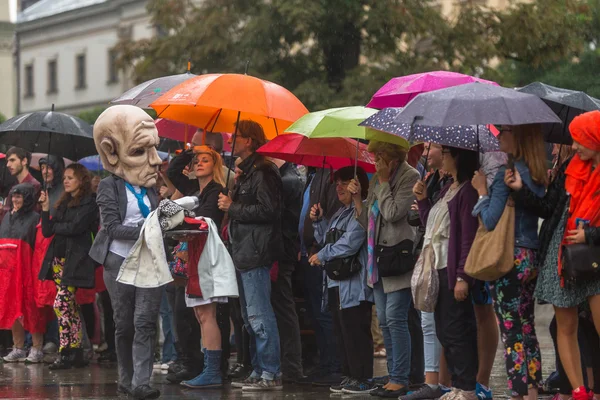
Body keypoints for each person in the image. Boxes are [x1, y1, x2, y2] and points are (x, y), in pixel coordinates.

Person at [505, 111, 600, 400]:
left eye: (581, 139)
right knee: (565, 325)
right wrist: (520, 190)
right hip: (562, 257)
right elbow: (547, 208)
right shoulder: (571, 165)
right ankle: (578, 391)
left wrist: (591, 236)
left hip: (594, 256)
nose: (576, 145)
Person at [89, 105, 163, 400]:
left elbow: (158, 221)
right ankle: (126, 379)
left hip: (150, 261)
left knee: (146, 322)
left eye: (155, 149)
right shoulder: (109, 186)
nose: (155, 161)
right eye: (139, 151)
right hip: (118, 261)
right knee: (125, 324)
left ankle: (141, 384)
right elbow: (112, 228)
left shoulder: (152, 187)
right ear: (111, 153)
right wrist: (151, 230)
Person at [472, 125, 547, 400]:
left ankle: (519, 390)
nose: (498, 135)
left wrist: (482, 192)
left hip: (508, 258)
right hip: (530, 255)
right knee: (527, 323)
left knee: (509, 326)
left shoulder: (508, 175)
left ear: (517, 137)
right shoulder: (536, 172)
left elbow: (490, 220)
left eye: (503, 131)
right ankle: (534, 385)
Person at [347, 140, 419, 398]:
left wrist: (386, 182)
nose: (374, 163)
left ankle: (401, 377)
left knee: (396, 318)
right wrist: (358, 200)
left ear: (392, 159)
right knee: (385, 321)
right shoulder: (378, 179)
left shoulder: (410, 176)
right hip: (376, 259)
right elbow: (368, 220)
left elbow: (392, 213)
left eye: (378, 158)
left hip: (396, 258)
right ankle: (393, 375)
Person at [218, 120, 283, 391]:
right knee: (248, 317)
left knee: (259, 315)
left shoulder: (264, 172)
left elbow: (269, 211)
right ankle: (258, 370)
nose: (232, 139)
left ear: (250, 141)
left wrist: (233, 207)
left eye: (238, 136)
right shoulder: (246, 173)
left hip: (256, 251)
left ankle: (271, 372)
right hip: (243, 251)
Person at [414, 146, 480, 400]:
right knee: (444, 330)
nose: (443, 158)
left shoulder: (466, 192)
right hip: (437, 269)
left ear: (458, 158)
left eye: (448, 153)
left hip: (452, 272)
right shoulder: (446, 188)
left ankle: (467, 388)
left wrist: (463, 276)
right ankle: (456, 385)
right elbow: (431, 223)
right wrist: (422, 201)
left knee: (457, 330)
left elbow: (467, 237)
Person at [309, 166, 374, 394]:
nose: (339, 188)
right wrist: (318, 222)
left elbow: (351, 241)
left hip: (354, 285)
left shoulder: (361, 211)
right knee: (342, 331)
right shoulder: (339, 213)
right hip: (336, 283)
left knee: (356, 331)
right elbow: (327, 238)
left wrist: (323, 255)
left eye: (344, 182)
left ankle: (363, 377)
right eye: (337, 183)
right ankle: (349, 375)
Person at [38, 163, 99, 370]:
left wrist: (58, 227)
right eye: (64, 177)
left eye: (70, 177)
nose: (65, 181)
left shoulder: (90, 203)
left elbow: (75, 228)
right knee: (70, 307)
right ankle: (76, 351)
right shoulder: (64, 202)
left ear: (81, 180)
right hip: (58, 261)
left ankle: (65, 352)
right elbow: (47, 231)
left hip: (76, 261)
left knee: (61, 304)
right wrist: (46, 210)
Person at [179, 146, 228, 389]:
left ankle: (212, 370)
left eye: (205, 160)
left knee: (207, 313)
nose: (199, 163)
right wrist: (189, 153)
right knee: (200, 313)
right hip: (196, 254)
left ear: (215, 166)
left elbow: (204, 219)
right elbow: (175, 171)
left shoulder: (216, 191)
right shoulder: (193, 191)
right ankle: (208, 368)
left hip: (207, 254)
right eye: (196, 161)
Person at [297, 166, 342, 386]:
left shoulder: (329, 175)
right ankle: (324, 363)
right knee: (316, 313)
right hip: (307, 252)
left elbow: (331, 214)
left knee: (325, 314)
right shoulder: (313, 176)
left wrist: (315, 245)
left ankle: (334, 365)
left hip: (319, 252)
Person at [0, 183, 46, 364]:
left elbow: (39, 245)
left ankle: (37, 347)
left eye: (19, 197)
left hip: (28, 270)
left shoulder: (35, 218)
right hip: (7, 272)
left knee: (31, 308)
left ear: (27, 199)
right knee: (12, 307)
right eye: (13, 196)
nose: (16, 200)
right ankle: (18, 347)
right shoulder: (6, 217)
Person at [269, 158, 304, 382]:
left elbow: (276, 214)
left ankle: (291, 365)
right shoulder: (285, 177)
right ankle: (289, 364)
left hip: (282, 251)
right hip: (282, 249)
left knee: (283, 307)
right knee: (280, 307)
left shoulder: (287, 180)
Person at [2, 147, 41, 219]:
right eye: (7, 161)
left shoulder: (34, 186)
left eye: (12, 160)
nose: (8, 164)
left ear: (24, 161)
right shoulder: (14, 184)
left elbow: (28, 218)